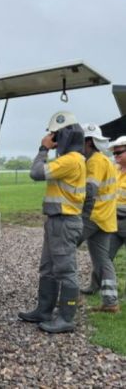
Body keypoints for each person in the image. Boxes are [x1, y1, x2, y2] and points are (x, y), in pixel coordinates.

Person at [18, 111, 86, 333]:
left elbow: (36, 172)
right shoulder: (70, 160)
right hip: (57, 220)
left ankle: (66, 318)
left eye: (55, 135)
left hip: (64, 221)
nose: (52, 138)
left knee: (65, 270)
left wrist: (43, 148)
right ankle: (44, 311)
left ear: (64, 137)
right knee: (48, 268)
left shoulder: (70, 160)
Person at [76, 124, 119, 313]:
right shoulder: (106, 160)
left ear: (88, 142)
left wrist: (78, 212)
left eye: (79, 143)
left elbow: (90, 190)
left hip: (93, 216)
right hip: (106, 218)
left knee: (65, 249)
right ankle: (111, 302)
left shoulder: (94, 161)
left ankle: (70, 297)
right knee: (103, 261)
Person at [109, 136, 126, 263]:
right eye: (114, 153)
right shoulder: (114, 170)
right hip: (113, 222)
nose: (115, 155)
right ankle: (102, 283)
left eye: (119, 152)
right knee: (103, 259)